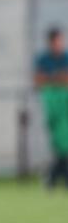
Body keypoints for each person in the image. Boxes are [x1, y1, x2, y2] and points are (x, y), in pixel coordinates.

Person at [34, 27, 68, 188]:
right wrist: (58, 78)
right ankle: (55, 177)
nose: (60, 44)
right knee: (59, 142)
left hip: (65, 105)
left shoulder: (66, 57)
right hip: (52, 105)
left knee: (64, 142)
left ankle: (53, 178)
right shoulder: (43, 59)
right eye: (58, 41)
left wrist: (51, 78)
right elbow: (39, 81)